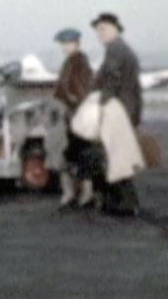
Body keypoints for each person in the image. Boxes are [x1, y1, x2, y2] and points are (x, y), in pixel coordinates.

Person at [90, 12, 142, 215]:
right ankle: (122, 201)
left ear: (114, 29)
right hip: (126, 110)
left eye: (102, 29)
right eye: (97, 30)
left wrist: (100, 105)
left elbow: (112, 81)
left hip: (117, 112)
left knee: (115, 157)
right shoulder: (121, 49)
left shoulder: (115, 50)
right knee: (117, 157)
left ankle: (127, 203)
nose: (98, 34)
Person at [53, 28, 96, 209]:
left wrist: (72, 104)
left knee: (75, 155)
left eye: (67, 44)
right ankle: (78, 194)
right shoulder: (74, 62)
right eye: (63, 44)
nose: (64, 47)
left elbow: (79, 91)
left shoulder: (77, 63)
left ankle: (77, 194)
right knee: (76, 155)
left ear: (75, 44)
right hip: (74, 116)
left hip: (76, 117)